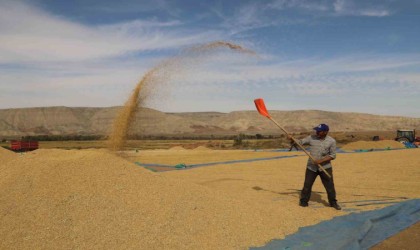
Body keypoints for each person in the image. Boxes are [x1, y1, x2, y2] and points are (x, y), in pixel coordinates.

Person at [288, 123, 341, 210]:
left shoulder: (331, 141)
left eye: (319, 131)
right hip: (311, 168)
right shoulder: (311, 138)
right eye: (316, 130)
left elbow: (333, 155)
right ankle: (303, 202)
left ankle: (333, 203)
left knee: (330, 186)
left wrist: (321, 161)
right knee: (307, 185)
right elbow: (300, 143)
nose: (317, 132)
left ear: (325, 132)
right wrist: (292, 140)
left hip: (325, 168)